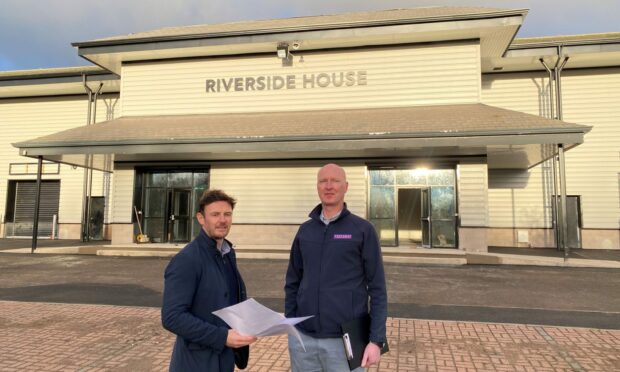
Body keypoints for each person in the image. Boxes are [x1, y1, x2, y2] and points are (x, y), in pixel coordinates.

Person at [285, 163, 388, 372]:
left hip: (346, 343)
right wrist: (291, 323)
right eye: (323, 181)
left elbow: (377, 289)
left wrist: (376, 340)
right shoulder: (305, 231)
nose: (329, 186)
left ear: (346, 186)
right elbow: (292, 281)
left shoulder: (362, 230)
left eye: (335, 181)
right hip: (304, 341)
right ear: (317, 187)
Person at [162, 189, 256, 372]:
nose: (222, 220)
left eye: (227, 214)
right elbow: (172, 317)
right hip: (196, 362)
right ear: (201, 218)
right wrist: (221, 337)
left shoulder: (227, 253)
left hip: (224, 359)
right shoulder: (187, 259)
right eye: (215, 214)